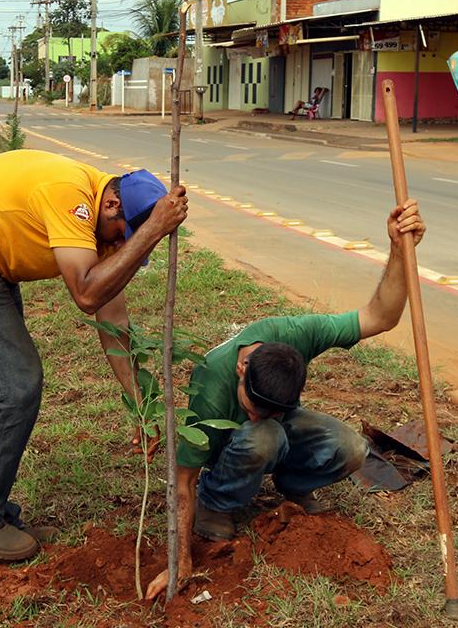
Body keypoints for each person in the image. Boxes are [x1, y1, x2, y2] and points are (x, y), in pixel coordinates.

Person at [0, 148, 189, 562]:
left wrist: (140, 404)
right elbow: (87, 293)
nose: (118, 247)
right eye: (121, 237)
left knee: (0, 384)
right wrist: (152, 231)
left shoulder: (107, 213)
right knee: (15, 384)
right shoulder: (72, 198)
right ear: (111, 205)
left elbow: (112, 320)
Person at [145, 199, 425, 600]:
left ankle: (292, 484)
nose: (255, 414)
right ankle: (220, 500)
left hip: (275, 430)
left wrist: (399, 249)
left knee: (351, 447)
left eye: (268, 410)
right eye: (250, 406)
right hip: (225, 449)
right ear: (242, 370)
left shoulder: (296, 334)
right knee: (265, 436)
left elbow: (381, 317)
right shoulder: (211, 386)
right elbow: (182, 481)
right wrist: (180, 561)